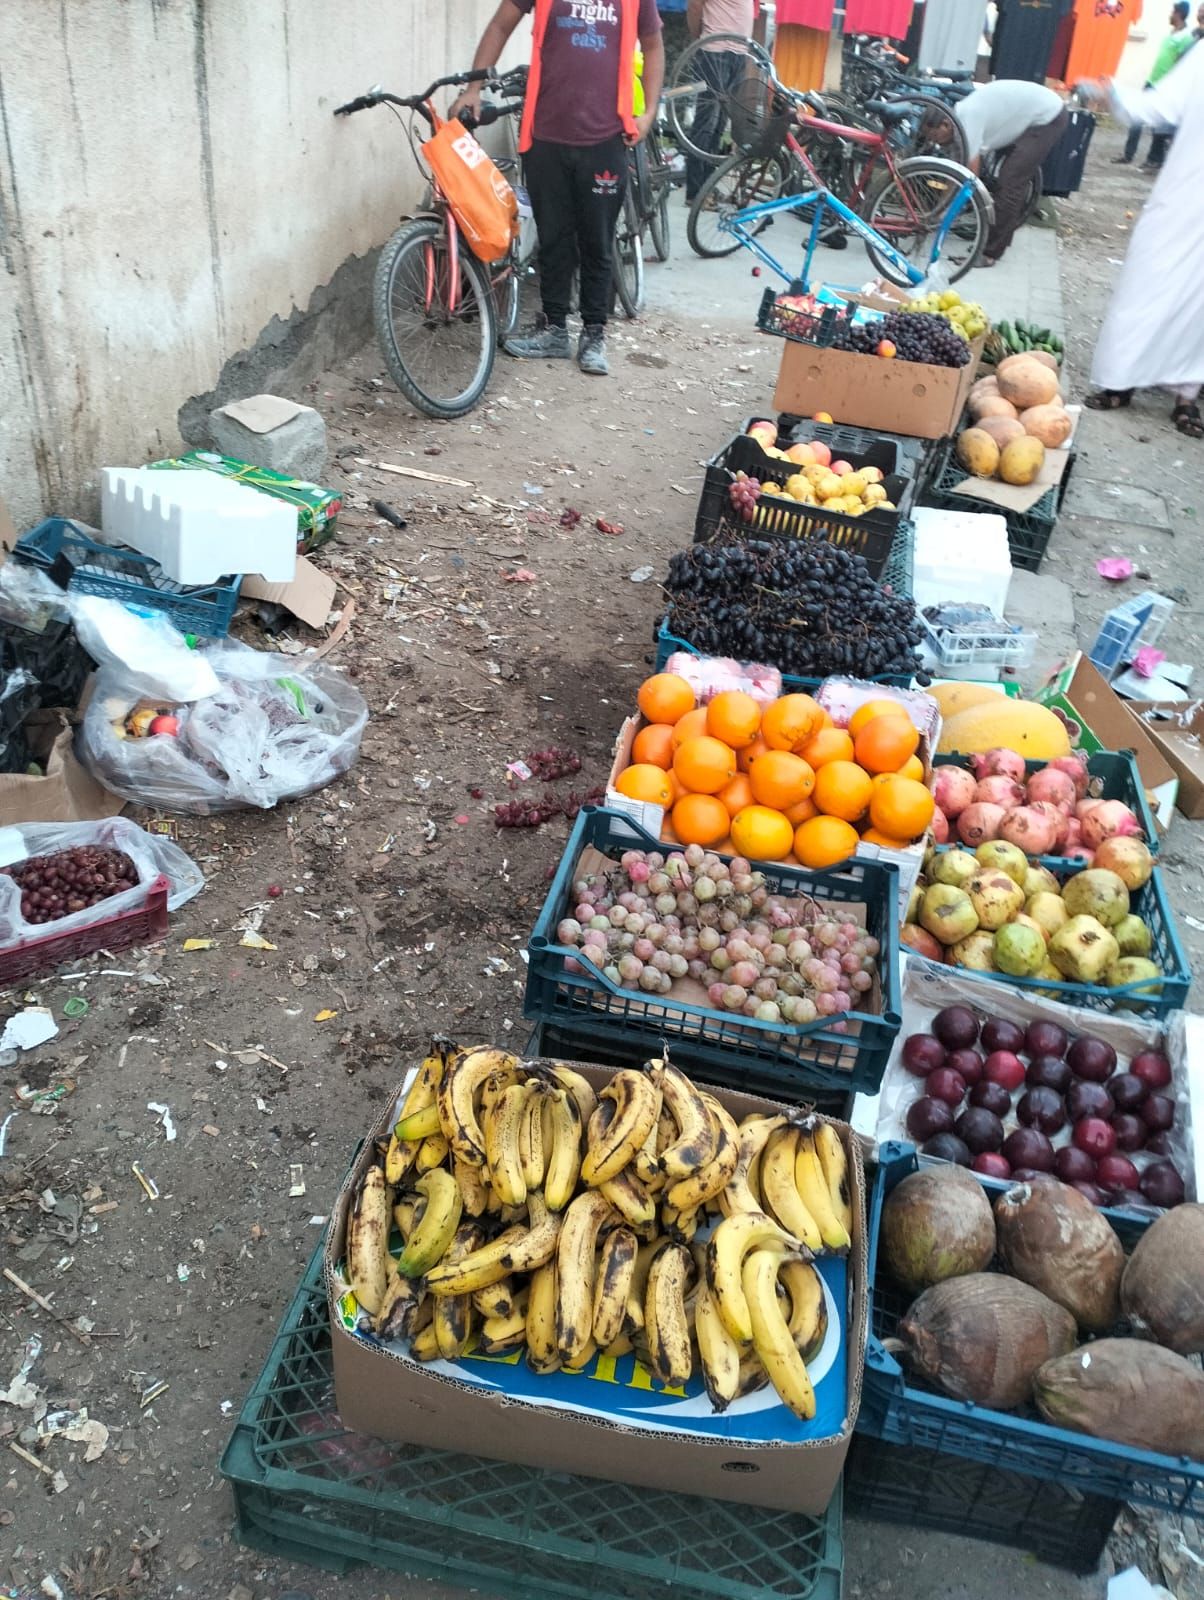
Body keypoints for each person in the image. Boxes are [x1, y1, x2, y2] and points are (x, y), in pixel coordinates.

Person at [452, 0, 664, 378]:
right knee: (553, 237)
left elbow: (653, 43)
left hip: (606, 137)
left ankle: (594, 335)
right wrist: (474, 86)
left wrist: (648, 112)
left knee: (597, 240)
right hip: (545, 135)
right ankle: (553, 329)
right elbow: (501, 25)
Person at [1085, 45, 1204, 436]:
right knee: (1146, 284)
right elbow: (1160, 106)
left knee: (1199, 309)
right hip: (1185, 197)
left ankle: (1187, 396)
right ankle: (1120, 381)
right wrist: (1116, 94)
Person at [938, 79, 1069, 264]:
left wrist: (949, 212)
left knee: (1010, 182)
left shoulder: (968, 119)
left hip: (1048, 117)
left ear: (945, 124)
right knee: (1010, 180)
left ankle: (989, 254)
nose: (936, 142)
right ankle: (1000, 236)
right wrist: (941, 207)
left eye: (934, 135)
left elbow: (970, 176)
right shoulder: (959, 116)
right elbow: (955, 172)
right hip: (1027, 113)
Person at [684, 0, 756, 203]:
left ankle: (707, 187)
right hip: (715, 49)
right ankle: (695, 192)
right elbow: (695, 6)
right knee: (706, 122)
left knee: (720, 125)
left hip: (739, 53)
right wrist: (700, 39)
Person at [1113, 2, 1193, 170]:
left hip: (1164, 85)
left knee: (1159, 126)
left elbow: (1181, 63)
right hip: (1152, 81)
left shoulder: (1186, 37)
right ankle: (1128, 154)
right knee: (1136, 119)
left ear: (1179, 14)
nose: (1170, 14)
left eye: (1172, 11)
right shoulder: (1171, 34)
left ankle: (1155, 159)